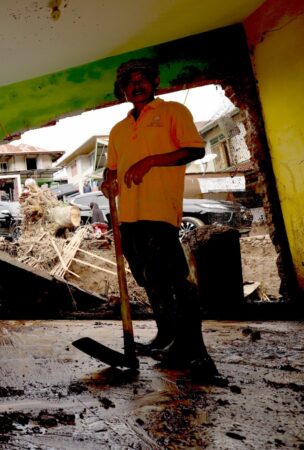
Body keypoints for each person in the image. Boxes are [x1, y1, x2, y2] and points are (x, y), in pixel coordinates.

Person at [102, 58, 218, 380]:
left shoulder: (172, 113)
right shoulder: (118, 129)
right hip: (129, 215)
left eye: (143, 79)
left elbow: (195, 150)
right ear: (122, 90)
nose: (136, 85)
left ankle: (195, 351)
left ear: (154, 84)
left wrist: (151, 160)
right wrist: (107, 180)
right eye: (129, 82)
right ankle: (167, 337)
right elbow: (111, 167)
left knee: (176, 280)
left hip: (160, 210)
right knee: (150, 280)